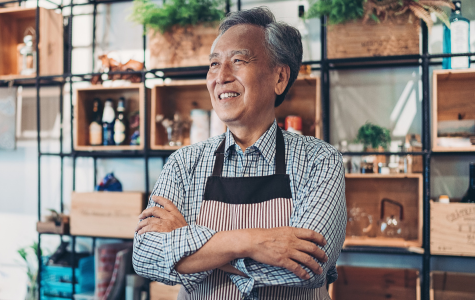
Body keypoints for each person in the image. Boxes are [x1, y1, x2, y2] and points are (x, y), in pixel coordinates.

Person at [133, 6, 346, 300]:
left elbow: (309, 266)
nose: (221, 76)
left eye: (238, 60)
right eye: (213, 64)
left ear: (280, 77)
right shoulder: (184, 163)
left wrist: (192, 243)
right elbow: (146, 256)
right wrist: (250, 242)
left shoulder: (319, 161)